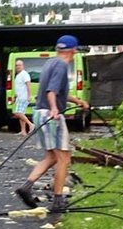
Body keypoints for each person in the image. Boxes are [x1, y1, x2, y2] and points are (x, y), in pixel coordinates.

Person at [15, 35, 89, 212]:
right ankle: (58, 201)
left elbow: (56, 91)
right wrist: (55, 109)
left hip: (39, 113)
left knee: (52, 157)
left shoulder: (50, 63)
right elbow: (51, 91)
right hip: (51, 114)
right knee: (64, 158)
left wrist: (77, 101)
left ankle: (26, 187)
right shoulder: (62, 66)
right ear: (73, 50)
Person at [13, 60, 34, 135]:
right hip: (19, 96)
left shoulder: (24, 74)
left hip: (23, 97)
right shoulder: (18, 75)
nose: (18, 67)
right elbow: (18, 87)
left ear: (23, 66)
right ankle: (23, 131)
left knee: (17, 112)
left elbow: (28, 84)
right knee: (22, 114)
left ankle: (30, 124)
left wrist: (29, 95)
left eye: (19, 65)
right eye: (16, 65)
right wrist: (15, 96)